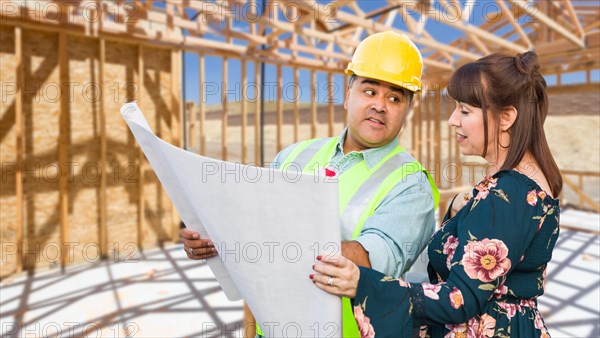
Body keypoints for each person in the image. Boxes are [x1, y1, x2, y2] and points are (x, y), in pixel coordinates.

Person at [180, 30, 439, 337]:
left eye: (394, 97)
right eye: (369, 91)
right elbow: (253, 224)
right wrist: (214, 240)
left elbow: (371, 261)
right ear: (348, 94)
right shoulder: (294, 155)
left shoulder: (411, 184)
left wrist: (253, 243)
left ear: (406, 109)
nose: (380, 105)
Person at [312, 50, 562, 338]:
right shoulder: (518, 186)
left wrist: (363, 282)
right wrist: (461, 211)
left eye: (465, 111)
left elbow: (459, 300)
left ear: (506, 117)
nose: (452, 120)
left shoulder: (511, 193)